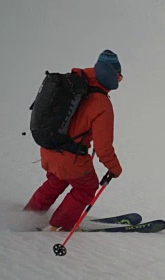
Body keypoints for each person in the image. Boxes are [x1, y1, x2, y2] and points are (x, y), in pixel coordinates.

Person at [24, 50, 124, 231]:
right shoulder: (101, 104)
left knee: (55, 181)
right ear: (112, 76)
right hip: (70, 158)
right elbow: (104, 148)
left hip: (48, 148)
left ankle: (28, 216)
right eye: (119, 77)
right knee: (86, 187)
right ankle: (58, 227)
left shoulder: (74, 83)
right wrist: (114, 168)